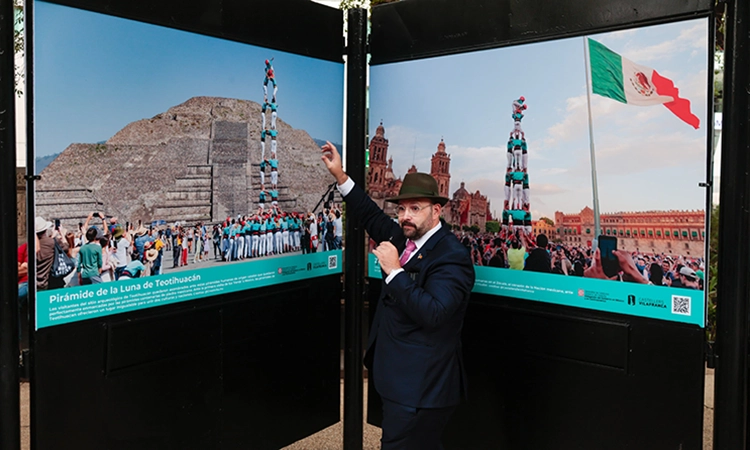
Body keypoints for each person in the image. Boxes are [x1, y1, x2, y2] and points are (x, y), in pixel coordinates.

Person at [321, 141, 475, 450]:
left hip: (421, 388)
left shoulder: (452, 255)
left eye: (415, 208)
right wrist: (340, 175)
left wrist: (394, 271)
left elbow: (435, 313)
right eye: (402, 208)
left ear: (436, 210)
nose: (405, 215)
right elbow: (368, 213)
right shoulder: (401, 235)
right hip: (397, 380)